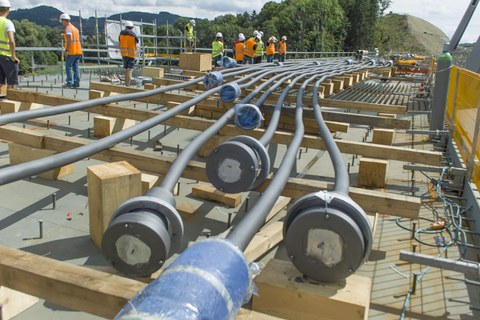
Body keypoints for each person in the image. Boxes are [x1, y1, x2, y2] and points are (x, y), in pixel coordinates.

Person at [0, 0, 19, 95]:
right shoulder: (8, 23)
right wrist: (13, 56)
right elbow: (11, 41)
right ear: (8, 9)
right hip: (6, 57)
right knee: (12, 83)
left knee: (0, 83)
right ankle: (12, 103)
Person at [60, 13, 82, 88]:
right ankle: (76, 83)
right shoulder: (75, 28)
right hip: (78, 51)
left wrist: (66, 50)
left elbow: (70, 40)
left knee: (68, 67)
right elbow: (73, 38)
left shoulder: (67, 28)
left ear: (64, 20)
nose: (62, 23)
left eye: (62, 21)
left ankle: (69, 83)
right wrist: (64, 35)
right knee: (76, 68)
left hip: (71, 51)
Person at [119, 20, 138, 87]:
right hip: (131, 54)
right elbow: (136, 43)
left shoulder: (121, 33)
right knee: (130, 70)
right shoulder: (133, 34)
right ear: (131, 27)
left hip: (124, 54)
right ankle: (128, 85)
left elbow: (120, 41)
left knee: (126, 69)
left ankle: (126, 84)